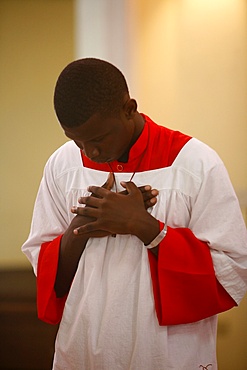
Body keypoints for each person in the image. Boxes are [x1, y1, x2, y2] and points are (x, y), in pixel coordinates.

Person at [22, 58, 247, 370]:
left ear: (129, 108)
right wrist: (84, 224)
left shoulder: (194, 163)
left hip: (168, 355)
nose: (91, 152)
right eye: (76, 140)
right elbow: (44, 266)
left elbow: (232, 270)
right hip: (83, 349)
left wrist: (145, 227)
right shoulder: (62, 166)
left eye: (98, 139)